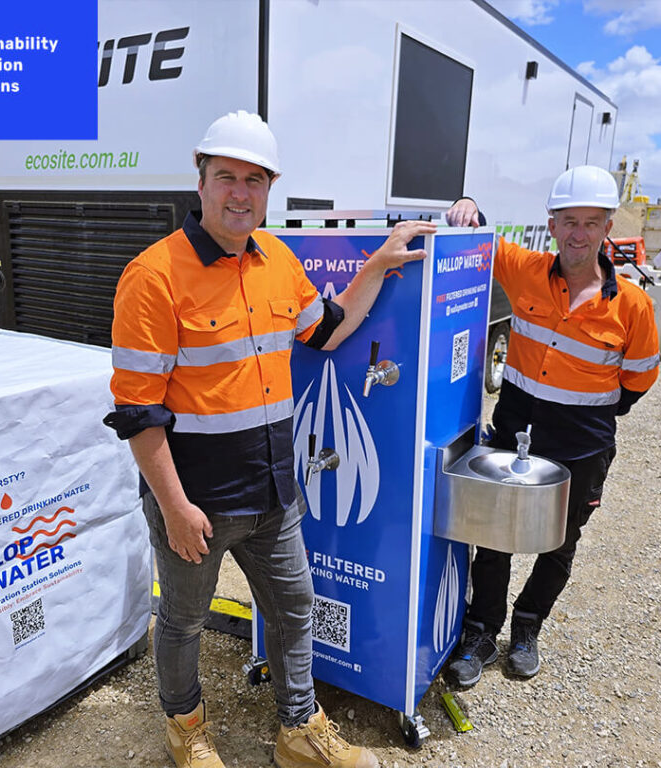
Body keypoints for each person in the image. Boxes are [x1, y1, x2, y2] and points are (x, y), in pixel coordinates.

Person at [104, 109, 435, 768]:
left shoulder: (278, 261)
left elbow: (329, 330)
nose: (240, 193)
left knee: (295, 608)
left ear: (268, 189)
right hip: (196, 504)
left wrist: (377, 264)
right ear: (200, 182)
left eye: (254, 180)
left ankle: (298, 730)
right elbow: (138, 412)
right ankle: (186, 729)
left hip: (275, 493)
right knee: (184, 622)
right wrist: (173, 507)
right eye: (226, 176)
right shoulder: (153, 276)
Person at [443, 166, 660, 686]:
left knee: (560, 543)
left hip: (581, 444)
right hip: (515, 430)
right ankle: (481, 630)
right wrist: (468, 199)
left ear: (608, 227)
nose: (578, 234)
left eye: (590, 222)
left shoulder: (633, 305)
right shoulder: (526, 271)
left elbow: (638, 381)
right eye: (569, 221)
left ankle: (527, 626)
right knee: (492, 534)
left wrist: (583, 412)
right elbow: (483, 237)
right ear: (552, 224)